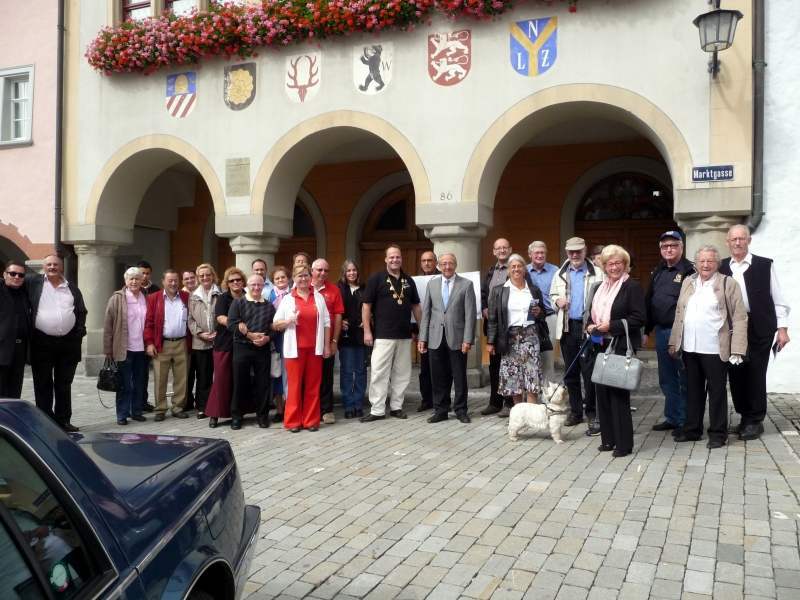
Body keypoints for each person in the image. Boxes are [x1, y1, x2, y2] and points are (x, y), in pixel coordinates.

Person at [669, 245, 748, 449]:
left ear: (717, 263)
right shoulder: (689, 281)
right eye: (702, 261)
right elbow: (679, 314)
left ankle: (718, 434)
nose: (705, 264)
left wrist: (737, 348)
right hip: (690, 347)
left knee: (717, 392)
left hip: (715, 348)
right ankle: (692, 430)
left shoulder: (728, 283)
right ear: (695, 263)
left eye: (710, 261)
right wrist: (673, 342)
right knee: (693, 391)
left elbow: (740, 317)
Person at [720, 224, 791, 441]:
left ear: (749, 240)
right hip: (733, 328)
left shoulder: (763, 265)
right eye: (734, 239)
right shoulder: (721, 267)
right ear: (728, 242)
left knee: (756, 373)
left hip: (760, 326)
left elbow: (778, 299)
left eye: (742, 238)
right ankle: (744, 417)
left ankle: (755, 420)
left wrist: (783, 329)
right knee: (736, 372)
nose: (738, 242)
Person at [585, 245, 646, 458]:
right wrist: (591, 326)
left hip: (620, 345)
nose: (614, 267)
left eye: (618, 263)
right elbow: (592, 314)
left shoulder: (632, 287)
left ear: (625, 264)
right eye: (610, 263)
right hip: (600, 344)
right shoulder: (600, 287)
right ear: (604, 266)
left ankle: (624, 444)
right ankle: (608, 440)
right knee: (601, 394)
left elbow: (638, 318)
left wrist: (610, 326)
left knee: (618, 396)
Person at [361, 244, 422, 422]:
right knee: (379, 372)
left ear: (401, 259)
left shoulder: (408, 281)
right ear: (386, 259)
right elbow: (366, 306)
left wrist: (422, 329)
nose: (395, 260)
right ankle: (377, 410)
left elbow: (416, 307)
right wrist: (367, 331)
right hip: (382, 335)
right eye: (392, 257)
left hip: (404, 335)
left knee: (402, 373)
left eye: (398, 257)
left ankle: (396, 407)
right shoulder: (376, 279)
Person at [27, 254, 87, 432]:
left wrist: (78, 332)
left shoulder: (72, 288)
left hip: (68, 343)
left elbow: (81, 311)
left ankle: (63, 420)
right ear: (43, 267)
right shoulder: (33, 283)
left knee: (64, 383)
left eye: (55, 264)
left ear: (61, 267)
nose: (52, 267)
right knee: (42, 383)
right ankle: (45, 421)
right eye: (49, 264)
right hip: (42, 342)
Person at [643, 231, 695, 436]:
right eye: (665, 246)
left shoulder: (690, 270)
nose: (669, 249)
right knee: (666, 377)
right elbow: (650, 300)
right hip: (662, 332)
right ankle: (672, 417)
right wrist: (646, 329)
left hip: (682, 332)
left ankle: (685, 420)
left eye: (673, 245)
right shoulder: (659, 271)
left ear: (681, 247)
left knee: (683, 377)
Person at [550, 237, 604, 434]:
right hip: (567, 328)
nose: (574, 255)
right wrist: (557, 302)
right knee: (571, 372)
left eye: (578, 251)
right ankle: (575, 411)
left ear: (584, 250)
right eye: (571, 252)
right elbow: (551, 296)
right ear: (567, 252)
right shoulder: (559, 274)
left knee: (589, 373)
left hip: (589, 328)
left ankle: (592, 413)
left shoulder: (598, 273)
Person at [418, 253, 476, 424]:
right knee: (437, 376)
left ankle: (461, 410)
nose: (447, 267)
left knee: (459, 376)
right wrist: (423, 338)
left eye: (450, 263)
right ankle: (440, 410)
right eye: (444, 264)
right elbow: (426, 313)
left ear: (455, 265)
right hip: (435, 337)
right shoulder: (432, 284)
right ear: (439, 266)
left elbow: (470, 315)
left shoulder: (466, 284)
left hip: (457, 338)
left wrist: (467, 340)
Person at [272, 264, 331, 432]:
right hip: (294, 350)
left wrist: (327, 345)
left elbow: (326, 322)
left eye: (306, 275)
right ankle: (292, 421)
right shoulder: (288, 299)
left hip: (315, 349)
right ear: (294, 279)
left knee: (313, 385)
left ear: (310, 277)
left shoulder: (318, 297)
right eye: (299, 276)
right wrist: (288, 321)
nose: (303, 279)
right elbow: (275, 324)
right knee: (294, 386)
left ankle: (311, 420)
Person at [486, 254, 545, 408]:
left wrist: (540, 312)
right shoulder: (499, 291)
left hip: (530, 335)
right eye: (513, 267)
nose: (516, 269)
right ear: (508, 271)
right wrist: (490, 342)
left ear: (525, 270)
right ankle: (519, 412)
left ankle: (532, 412)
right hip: (509, 337)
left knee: (532, 373)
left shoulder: (533, 290)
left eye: (520, 266)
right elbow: (493, 318)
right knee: (513, 376)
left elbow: (543, 313)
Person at [227, 274, 275, 430]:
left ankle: (262, 416)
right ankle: (237, 416)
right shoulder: (238, 302)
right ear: (247, 286)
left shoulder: (269, 306)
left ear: (263, 286)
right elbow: (231, 324)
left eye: (259, 285)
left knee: (263, 384)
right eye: (253, 285)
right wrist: (249, 335)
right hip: (242, 347)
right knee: (240, 382)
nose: (256, 288)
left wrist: (267, 338)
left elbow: (273, 328)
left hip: (262, 348)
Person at [103, 267, 148, 425]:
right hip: (124, 348)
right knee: (124, 384)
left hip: (142, 349)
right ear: (125, 281)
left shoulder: (145, 297)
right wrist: (108, 349)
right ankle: (122, 414)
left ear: (142, 281)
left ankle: (136, 412)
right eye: (131, 279)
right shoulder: (117, 298)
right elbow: (108, 325)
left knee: (139, 382)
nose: (134, 281)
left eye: (137, 278)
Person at [143, 269, 190, 421]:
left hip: (182, 342)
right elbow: (148, 323)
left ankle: (178, 407)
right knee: (160, 377)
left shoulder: (186, 297)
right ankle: (160, 409)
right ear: (163, 282)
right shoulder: (154, 298)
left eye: (176, 280)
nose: (173, 283)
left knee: (181, 378)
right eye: (170, 280)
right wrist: (149, 343)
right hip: (161, 344)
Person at [205, 267, 246, 428]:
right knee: (221, 379)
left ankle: (238, 413)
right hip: (224, 344)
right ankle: (215, 414)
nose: (235, 282)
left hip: (243, 343)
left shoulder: (248, 296)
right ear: (227, 283)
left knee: (239, 380)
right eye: (232, 280)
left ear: (243, 281)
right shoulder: (223, 298)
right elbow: (220, 318)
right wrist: (237, 324)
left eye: (238, 280)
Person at [480, 238, 514, 417]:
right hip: (492, 326)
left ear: (510, 250)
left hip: (510, 326)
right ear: (494, 251)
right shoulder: (490, 272)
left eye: (504, 248)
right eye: (498, 248)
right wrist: (484, 308)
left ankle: (510, 403)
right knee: (494, 366)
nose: (501, 250)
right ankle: (495, 402)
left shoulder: (515, 269)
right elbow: (483, 294)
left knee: (508, 365)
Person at [311, 258, 344, 425]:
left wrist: (334, 341)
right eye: (319, 270)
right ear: (312, 271)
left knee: (326, 376)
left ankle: (326, 410)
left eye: (326, 270)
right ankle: (311, 409)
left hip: (326, 340)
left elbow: (338, 317)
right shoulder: (304, 287)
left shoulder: (334, 290)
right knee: (310, 377)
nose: (323, 273)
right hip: (308, 342)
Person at [188, 263, 220, 420]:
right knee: (203, 376)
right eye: (201, 276)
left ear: (213, 275)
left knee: (219, 375)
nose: (205, 278)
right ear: (198, 278)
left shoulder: (220, 293)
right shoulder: (193, 296)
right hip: (201, 342)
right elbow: (190, 319)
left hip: (219, 341)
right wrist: (200, 333)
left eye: (208, 274)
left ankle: (218, 405)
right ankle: (203, 407)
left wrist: (218, 333)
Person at [338, 260, 367, 419]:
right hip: (346, 335)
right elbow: (334, 308)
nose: (351, 273)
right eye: (348, 270)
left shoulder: (364, 288)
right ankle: (348, 404)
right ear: (344, 272)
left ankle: (358, 403)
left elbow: (371, 307)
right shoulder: (339, 288)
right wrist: (339, 321)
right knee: (347, 371)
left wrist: (369, 320)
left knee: (361, 371)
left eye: (354, 270)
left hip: (362, 334)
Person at [526, 241, 559, 380]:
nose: (540, 255)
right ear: (530, 255)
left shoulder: (555, 271)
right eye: (537, 253)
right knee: (529, 357)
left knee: (548, 358)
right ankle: (531, 395)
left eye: (542, 253)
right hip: (529, 319)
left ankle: (547, 396)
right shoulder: (523, 270)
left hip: (550, 318)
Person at [1, 260, 31, 399]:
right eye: (13, 273)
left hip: (19, 351)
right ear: (4, 274)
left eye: (21, 275)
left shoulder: (24, 293)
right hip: (1, 350)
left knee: (14, 393)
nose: (17, 277)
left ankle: (10, 421)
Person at [416, 250, 439, 412]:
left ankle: (441, 399)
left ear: (435, 262)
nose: (426, 263)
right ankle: (426, 400)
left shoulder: (443, 278)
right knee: (424, 369)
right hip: (423, 331)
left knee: (441, 368)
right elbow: (412, 307)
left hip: (440, 329)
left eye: (430, 260)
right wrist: (413, 330)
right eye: (424, 261)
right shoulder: (415, 281)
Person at [268, 265, 291, 421]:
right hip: (276, 338)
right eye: (277, 278)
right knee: (277, 373)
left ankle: (291, 407)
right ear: (273, 281)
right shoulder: (269, 296)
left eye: (283, 277)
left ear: (288, 278)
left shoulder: (293, 294)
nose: (280, 280)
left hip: (291, 336)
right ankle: (279, 409)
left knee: (290, 373)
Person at [136, 259, 158, 413]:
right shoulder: (131, 288)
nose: (144, 276)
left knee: (144, 372)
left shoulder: (156, 289)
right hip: (134, 337)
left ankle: (143, 401)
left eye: (147, 273)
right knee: (134, 373)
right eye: (142, 273)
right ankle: (135, 402)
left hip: (150, 336)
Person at [181, 269, 199, 411]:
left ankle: (201, 401)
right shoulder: (180, 296)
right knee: (186, 373)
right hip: (186, 340)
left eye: (192, 277)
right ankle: (186, 401)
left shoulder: (201, 293)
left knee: (201, 373)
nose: (190, 280)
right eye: (186, 279)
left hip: (201, 340)